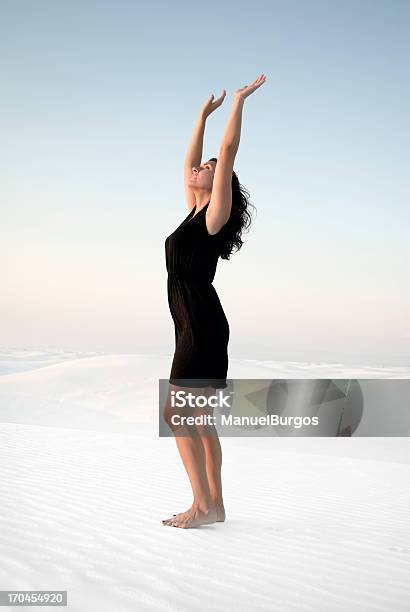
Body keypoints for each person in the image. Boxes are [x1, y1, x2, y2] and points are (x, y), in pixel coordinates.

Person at [162, 73, 267, 528]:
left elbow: (226, 154)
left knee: (179, 414)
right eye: (199, 170)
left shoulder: (214, 215)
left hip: (201, 322)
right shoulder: (192, 211)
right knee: (197, 418)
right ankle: (214, 506)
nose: (198, 169)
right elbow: (189, 161)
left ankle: (202, 505)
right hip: (192, 321)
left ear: (220, 182)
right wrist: (201, 117)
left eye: (206, 170)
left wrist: (237, 102)